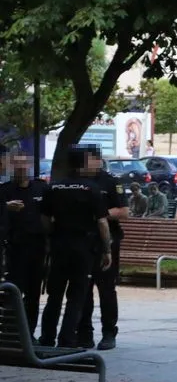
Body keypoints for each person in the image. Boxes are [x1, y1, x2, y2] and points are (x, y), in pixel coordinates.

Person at [38, 146, 112, 348]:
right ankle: (67, 339)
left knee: (54, 295)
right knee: (76, 297)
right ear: (83, 164)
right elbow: (102, 222)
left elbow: (44, 219)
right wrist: (106, 250)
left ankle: (46, 338)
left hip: (59, 245)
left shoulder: (53, 187)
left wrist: (53, 234)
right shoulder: (91, 189)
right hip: (83, 247)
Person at [78, 147, 129, 350]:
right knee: (83, 289)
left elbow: (123, 211)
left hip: (106, 241)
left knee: (106, 289)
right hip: (82, 241)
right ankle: (84, 334)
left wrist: (99, 214)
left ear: (98, 160)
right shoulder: (76, 181)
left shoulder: (110, 182)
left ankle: (109, 332)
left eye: (89, 159)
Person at [0, 152, 48, 340]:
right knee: (13, 292)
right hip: (14, 248)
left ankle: (28, 333)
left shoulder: (41, 188)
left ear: (29, 165)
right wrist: (5, 206)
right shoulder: (4, 190)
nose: (20, 168)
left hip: (37, 247)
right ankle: (11, 332)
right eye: (16, 164)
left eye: (23, 164)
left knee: (34, 293)